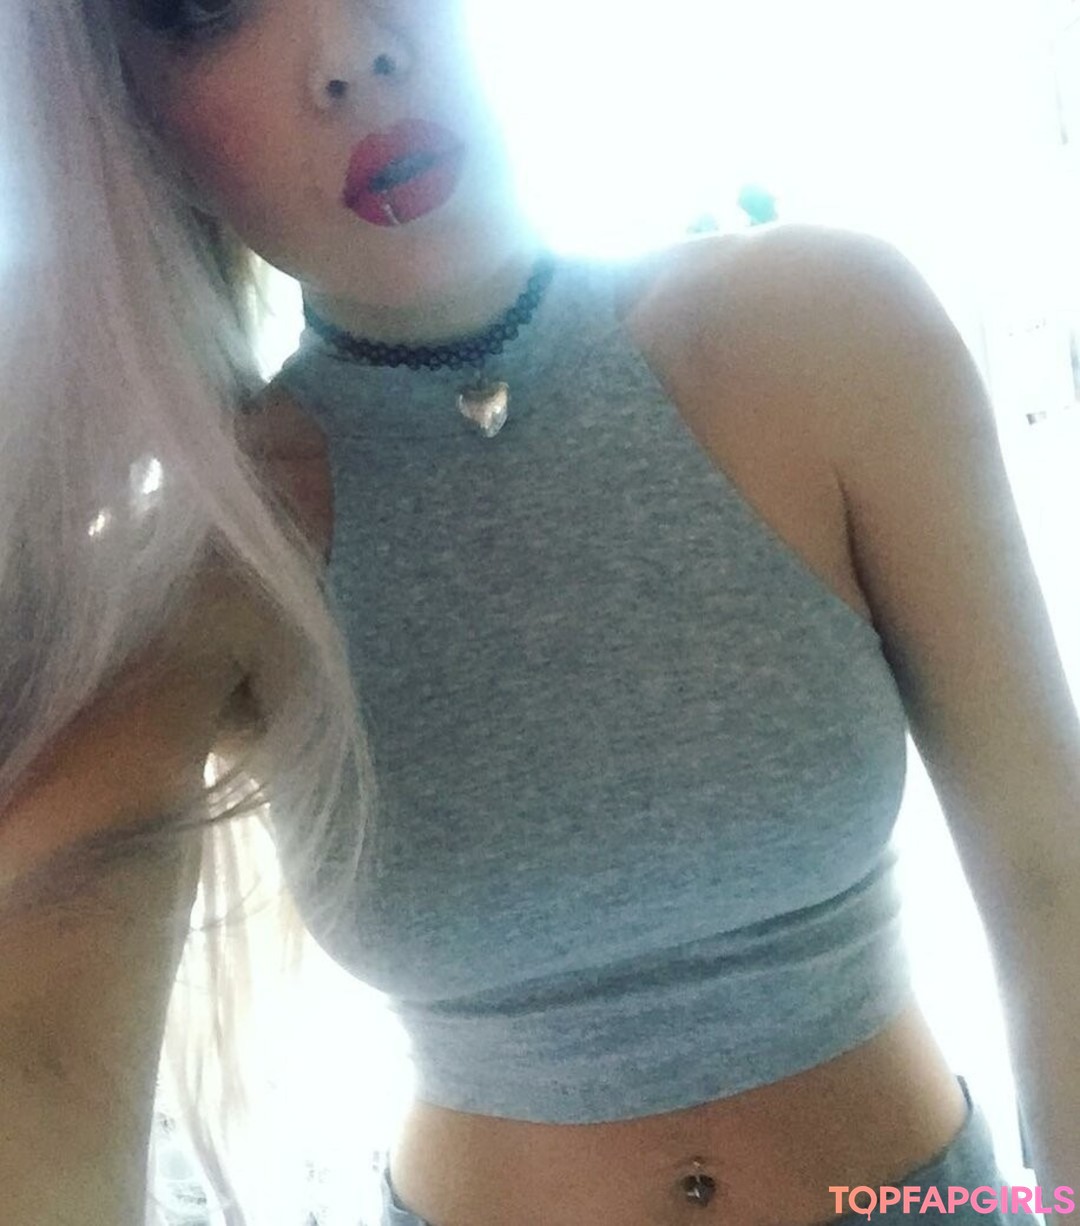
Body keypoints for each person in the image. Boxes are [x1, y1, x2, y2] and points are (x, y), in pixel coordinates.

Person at [1, 3, 1077, 1226]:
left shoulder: (827, 330)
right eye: (208, 10)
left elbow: (1054, 879)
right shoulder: (206, 561)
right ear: (131, 118)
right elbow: (38, 1064)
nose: (352, 54)